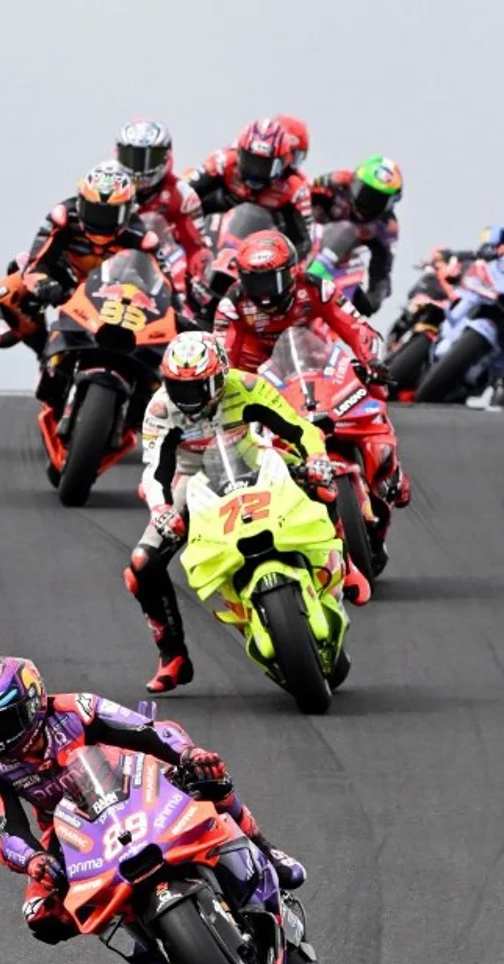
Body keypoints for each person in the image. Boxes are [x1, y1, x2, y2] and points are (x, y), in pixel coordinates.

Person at [0, 656, 306, 953]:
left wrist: (188, 754)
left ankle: (266, 850)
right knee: (41, 914)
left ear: (33, 703)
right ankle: (151, 955)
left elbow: (147, 730)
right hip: (71, 828)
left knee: (208, 777)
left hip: (134, 782)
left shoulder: (76, 708)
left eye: (5, 721)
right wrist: (33, 859)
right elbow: (6, 832)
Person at [125, 330, 370, 694]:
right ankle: (172, 655)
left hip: (255, 455)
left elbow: (297, 427)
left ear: (220, 377)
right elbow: (156, 470)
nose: (186, 397)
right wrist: (161, 509)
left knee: (323, 482)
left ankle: (346, 566)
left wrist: (316, 459)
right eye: (178, 386)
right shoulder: (161, 409)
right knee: (142, 564)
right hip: (192, 478)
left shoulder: (248, 387)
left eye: (197, 387)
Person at [0, 161, 163, 367]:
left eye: (110, 214)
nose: (101, 221)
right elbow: (37, 260)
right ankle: (40, 346)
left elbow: (159, 282)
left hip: (111, 292)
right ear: (80, 202)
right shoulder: (63, 216)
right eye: (93, 210)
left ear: (127, 211)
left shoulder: (140, 236)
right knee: (5, 293)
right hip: (66, 278)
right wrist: (42, 283)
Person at [213, 229, 387, 374]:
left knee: (374, 388)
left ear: (292, 271)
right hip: (254, 370)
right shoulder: (232, 305)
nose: (264, 293)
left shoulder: (318, 289)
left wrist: (371, 361)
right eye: (254, 283)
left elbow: (355, 327)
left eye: (272, 281)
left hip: (309, 360)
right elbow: (224, 356)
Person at [185, 118, 314, 256]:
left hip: (259, 252)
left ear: (283, 163)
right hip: (211, 236)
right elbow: (184, 193)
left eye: (265, 166)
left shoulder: (295, 189)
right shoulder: (222, 161)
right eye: (251, 162)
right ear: (240, 153)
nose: (256, 172)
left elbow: (303, 243)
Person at [114, 119, 213, 299]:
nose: (140, 168)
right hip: (112, 262)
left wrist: (196, 278)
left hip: (160, 270)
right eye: (133, 157)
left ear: (166, 156)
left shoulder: (182, 194)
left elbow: (195, 247)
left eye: (149, 158)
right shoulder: (105, 186)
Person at [310, 156, 403, 316]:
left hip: (336, 267)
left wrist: (373, 299)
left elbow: (382, 270)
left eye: (378, 200)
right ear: (354, 182)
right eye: (365, 193)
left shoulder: (387, 227)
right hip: (305, 241)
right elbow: (299, 194)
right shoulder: (336, 181)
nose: (368, 203)